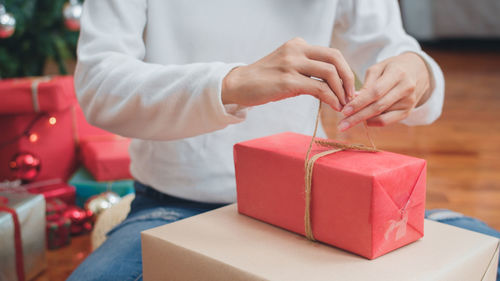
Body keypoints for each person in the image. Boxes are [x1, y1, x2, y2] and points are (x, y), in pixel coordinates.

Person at [68, 1, 499, 280]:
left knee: (484, 254)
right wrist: (230, 83)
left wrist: (417, 73)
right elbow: (100, 85)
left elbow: (392, 47)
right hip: (175, 208)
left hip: (322, 212)